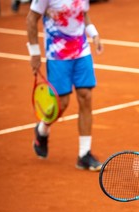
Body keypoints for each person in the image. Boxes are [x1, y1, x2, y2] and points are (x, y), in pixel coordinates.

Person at [26, 0, 104, 171]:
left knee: (86, 96)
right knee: (61, 104)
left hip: (81, 51)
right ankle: (42, 130)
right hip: (57, 54)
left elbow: (82, 15)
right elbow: (31, 19)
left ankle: (84, 154)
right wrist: (34, 53)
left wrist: (94, 34)